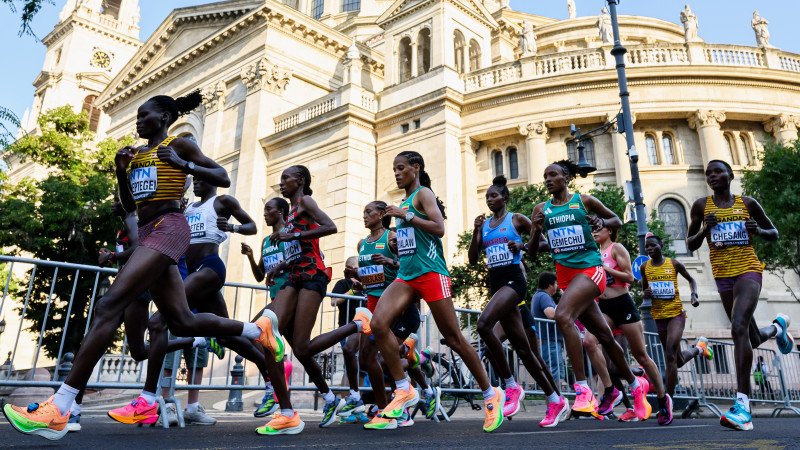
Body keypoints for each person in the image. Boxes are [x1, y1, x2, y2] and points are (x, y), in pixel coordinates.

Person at [1, 91, 283, 441]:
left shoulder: (178, 145)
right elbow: (128, 205)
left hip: (169, 227)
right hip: (149, 230)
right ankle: (258, 330)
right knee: (182, 320)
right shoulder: (136, 155)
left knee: (109, 305)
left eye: (144, 115)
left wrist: (183, 165)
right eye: (136, 116)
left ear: (163, 118)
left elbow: (222, 175)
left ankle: (60, 406)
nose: (138, 121)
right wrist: (121, 172)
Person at [366, 151, 504, 433]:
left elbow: (439, 228)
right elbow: (411, 239)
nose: (396, 173)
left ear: (415, 168)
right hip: (406, 275)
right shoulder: (404, 202)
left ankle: (491, 394)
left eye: (401, 168)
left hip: (431, 273)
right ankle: (404, 388)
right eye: (394, 169)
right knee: (378, 323)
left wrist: (405, 215)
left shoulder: (423, 194)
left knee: (454, 338)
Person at [527, 160, 650, 423]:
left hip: (591, 270)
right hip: (566, 278)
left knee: (563, 316)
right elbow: (533, 252)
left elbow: (616, 220)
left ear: (566, 177)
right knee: (604, 336)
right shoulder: (541, 209)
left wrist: (600, 220)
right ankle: (633, 383)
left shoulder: (583, 201)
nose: (548, 179)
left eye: (553, 175)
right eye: (545, 176)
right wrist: (535, 230)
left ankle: (582, 390)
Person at [686, 159, 793, 431]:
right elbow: (690, 243)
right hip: (723, 277)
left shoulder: (748, 203)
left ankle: (743, 407)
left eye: (718, 171)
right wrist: (705, 229)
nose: (712, 176)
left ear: (730, 175)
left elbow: (773, 233)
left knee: (737, 327)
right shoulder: (701, 206)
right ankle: (778, 328)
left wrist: (758, 230)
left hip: (748, 271)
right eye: (708, 173)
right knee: (751, 337)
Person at [254, 164, 352, 435]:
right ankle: (307, 405)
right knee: (270, 332)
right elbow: (295, 250)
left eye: (285, 178)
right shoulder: (291, 211)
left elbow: (330, 227)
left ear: (300, 180)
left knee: (301, 346)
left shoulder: (306, 202)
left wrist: (294, 234)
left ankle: (357, 324)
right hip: (293, 276)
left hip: (312, 276)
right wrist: (278, 266)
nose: (281, 182)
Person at [467, 175, 567, 427]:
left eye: (494, 195)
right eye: (487, 196)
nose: (489, 200)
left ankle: (511, 385)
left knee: (483, 325)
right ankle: (555, 399)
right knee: (524, 350)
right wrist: (476, 231)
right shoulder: (485, 225)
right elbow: (472, 259)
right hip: (496, 283)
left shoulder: (516, 219)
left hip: (514, 282)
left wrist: (521, 245)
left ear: (505, 198)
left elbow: (543, 244)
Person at [354, 201, 439, 429]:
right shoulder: (362, 244)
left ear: (382, 214)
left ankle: (401, 411)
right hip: (373, 306)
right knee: (366, 359)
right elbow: (370, 275)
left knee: (384, 360)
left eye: (369, 212)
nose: (364, 216)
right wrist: (360, 282)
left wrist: (389, 261)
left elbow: (410, 266)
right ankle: (384, 408)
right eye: (363, 212)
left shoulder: (393, 237)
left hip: (398, 309)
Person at [591, 224, 671, 424]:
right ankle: (611, 391)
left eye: (599, 228)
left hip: (623, 305)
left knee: (641, 355)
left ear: (609, 231)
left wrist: (606, 268)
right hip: (604, 307)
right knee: (589, 342)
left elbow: (629, 276)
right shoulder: (594, 252)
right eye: (593, 229)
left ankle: (663, 399)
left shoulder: (616, 248)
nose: (595, 232)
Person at [642, 233, 713, 403]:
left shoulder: (673, 264)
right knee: (677, 360)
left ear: (661, 246)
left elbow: (692, 280)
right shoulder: (644, 267)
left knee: (670, 355)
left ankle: (668, 400)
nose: (650, 249)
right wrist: (646, 293)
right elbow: (645, 289)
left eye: (653, 245)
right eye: (647, 247)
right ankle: (699, 348)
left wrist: (694, 294)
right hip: (659, 316)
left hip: (676, 315)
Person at [241, 197, 292, 418]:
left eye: (268, 209)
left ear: (280, 212)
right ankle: (281, 380)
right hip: (274, 298)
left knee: (254, 332)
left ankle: (274, 383)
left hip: (288, 295)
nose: (264, 213)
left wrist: (279, 268)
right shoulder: (265, 241)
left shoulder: (289, 234)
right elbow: (260, 275)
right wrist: (251, 257)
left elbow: (298, 259)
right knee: (303, 350)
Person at [531, 272, 563, 387]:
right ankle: (556, 396)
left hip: (548, 340)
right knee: (554, 370)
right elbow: (551, 314)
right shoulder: (544, 296)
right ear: (550, 285)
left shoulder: (538, 295)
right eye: (556, 283)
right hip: (549, 341)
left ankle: (556, 395)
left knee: (554, 369)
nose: (557, 286)